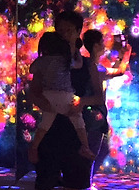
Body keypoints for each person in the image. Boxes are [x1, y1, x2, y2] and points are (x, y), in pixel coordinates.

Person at [22, 9, 103, 190]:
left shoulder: (86, 64)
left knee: (72, 187)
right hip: (51, 130)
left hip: (75, 130)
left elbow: (98, 96)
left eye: (69, 30)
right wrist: (43, 103)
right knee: (42, 185)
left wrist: (82, 102)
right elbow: (34, 90)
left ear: (78, 32)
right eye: (60, 30)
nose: (64, 34)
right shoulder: (49, 60)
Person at [27, 30, 92, 161]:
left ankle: (34, 148)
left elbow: (31, 69)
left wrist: (41, 64)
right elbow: (79, 64)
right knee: (78, 119)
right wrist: (77, 52)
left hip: (48, 96)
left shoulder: (42, 60)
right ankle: (85, 146)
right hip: (66, 96)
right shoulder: (65, 60)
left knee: (45, 124)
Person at [79, 27, 130, 190]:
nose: (104, 46)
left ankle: (85, 181)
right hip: (93, 113)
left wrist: (121, 57)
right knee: (93, 148)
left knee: (99, 148)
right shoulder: (93, 67)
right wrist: (126, 56)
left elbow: (113, 71)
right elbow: (119, 71)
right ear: (95, 46)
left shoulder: (91, 66)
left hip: (93, 112)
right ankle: (84, 184)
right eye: (101, 43)